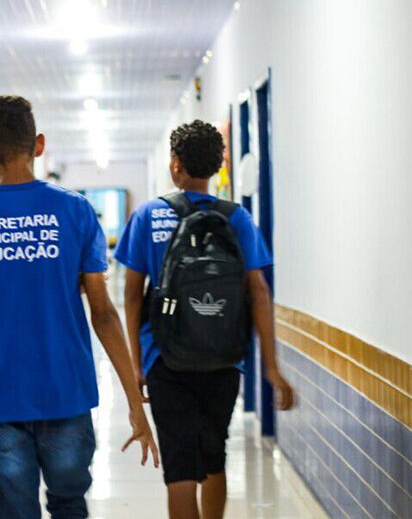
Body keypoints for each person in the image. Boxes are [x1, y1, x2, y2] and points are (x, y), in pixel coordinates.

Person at [0, 95, 158, 519]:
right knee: (69, 504)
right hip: (66, 389)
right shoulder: (75, 211)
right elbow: (104, 312)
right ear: (38, 144)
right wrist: (134, 400)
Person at [114, 120, 295, 519]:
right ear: (218, 166)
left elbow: (130, 298)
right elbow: (259, 293)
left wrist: (134, 364)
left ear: (175, 164)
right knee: (214, 458)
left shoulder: (148, 216)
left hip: (164, 360)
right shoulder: (238, 219)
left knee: (180, 470)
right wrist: (272, 367)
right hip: (224, 358)